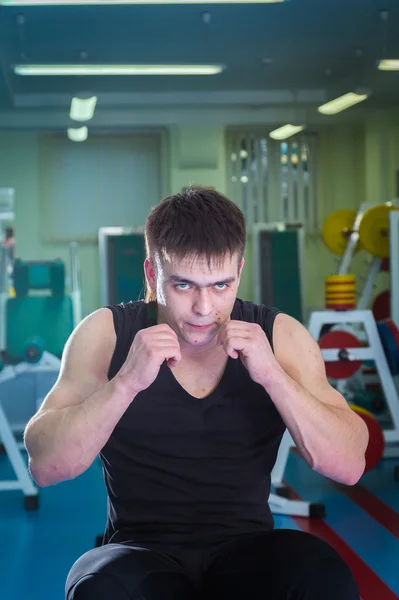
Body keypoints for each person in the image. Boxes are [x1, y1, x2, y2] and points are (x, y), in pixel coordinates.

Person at [24, 187, 368, 600]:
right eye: (184, 285)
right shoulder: (106, 334)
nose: (205, 307)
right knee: (100, 587)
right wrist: (127, 381)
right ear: (153, 275)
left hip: (248, 552)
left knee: (322, 577)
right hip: (138, 554)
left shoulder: (280, 336)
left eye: (221, 284)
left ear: (239, 271)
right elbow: (45, 466)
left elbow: (349, 465)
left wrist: (274, 377)